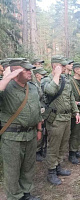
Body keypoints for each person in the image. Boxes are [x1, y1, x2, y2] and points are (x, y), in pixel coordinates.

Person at [0, 59, 42, 200]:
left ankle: (26, 193)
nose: (30, 72)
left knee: (28, 166)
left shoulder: (33, 87)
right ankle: (15, 196)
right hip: (12, 137)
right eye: (26, 70)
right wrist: (8, 77)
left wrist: (39, 129)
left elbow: (37, 110)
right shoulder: (6, 87)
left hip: (30, 134)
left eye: (30, 69)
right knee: (12, 170)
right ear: (16, 71)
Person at [41, 55, 80, 185]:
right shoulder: (46, 80)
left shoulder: (65, 80)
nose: (65, 68)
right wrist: (56, 75)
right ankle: (51, 171)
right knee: (54, 146)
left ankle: (58, 166)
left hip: (66, 117)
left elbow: (70, 97)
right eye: (62, 66)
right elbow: (51, 91)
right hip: (55, 118)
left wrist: (76, 112)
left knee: (63, 144)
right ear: (55, 66)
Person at [32, 67, 48, 162]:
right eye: (41, 74)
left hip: (44, 110)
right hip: (38, 111)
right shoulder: (34, 85)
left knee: (44, 131)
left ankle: (42, 148)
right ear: (37, 74)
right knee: (39, 131)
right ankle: (37, 151)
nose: (43, 75)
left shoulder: (42, 83)